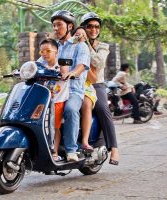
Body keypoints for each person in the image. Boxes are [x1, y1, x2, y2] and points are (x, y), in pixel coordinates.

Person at [38, 10, 90, 162]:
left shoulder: (80, 46)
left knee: (71, 109)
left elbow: (81, 66)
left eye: (59, 25)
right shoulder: (53, 47)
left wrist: (72, 73)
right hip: (53, 91)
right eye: (53, 25)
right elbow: (39, 63)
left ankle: (71, 150)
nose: (55, 28)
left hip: (73, 90)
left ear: (69, 26)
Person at [81, 12, 119, 165]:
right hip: (77, 83)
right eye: (89, 26)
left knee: (103, 108)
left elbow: (98, 63)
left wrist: (85, 44)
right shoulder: (76, 42)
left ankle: (114, 148)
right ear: (84, 27)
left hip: (97, 84)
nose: (93, 29)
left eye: (96, 27)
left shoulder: (103, 46)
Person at [38, 38, 69, 161]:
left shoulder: (62, 62)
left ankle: (54, 152)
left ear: (56, 51)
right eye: (42, 52)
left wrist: (63, 72)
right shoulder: (41, 64)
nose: (44, 53)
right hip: (45, 101)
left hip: (57, 100)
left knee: (54, 126)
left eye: (48, 51)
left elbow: (65, 71)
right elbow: (33, 68)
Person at [72, 27, 98, 152]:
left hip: (85, 87)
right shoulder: (67, 50)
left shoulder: (89, 54)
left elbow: (94, 79)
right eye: (77, 35)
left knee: (86, 104)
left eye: (83, 36)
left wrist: (83, 67)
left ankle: (84, 141)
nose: (80, 38)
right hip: (69, 84)